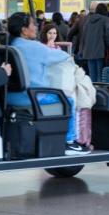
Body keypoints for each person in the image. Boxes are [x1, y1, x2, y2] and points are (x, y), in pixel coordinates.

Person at [7, 12, 85, 155]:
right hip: (33, 98)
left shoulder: (9, 45)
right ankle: (69, 142)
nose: (36, 27)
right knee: (69, 100)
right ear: (24, 30)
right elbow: (62, 56)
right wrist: (70, 56)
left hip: (11, 97)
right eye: (32, 25)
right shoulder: (34, 47)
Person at [76, 3, 109, 82]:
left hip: (88, 51)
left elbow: (83, 36)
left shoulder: (88, 20)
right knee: (101, 76)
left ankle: (93, 92)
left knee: (92, 76)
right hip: (101, 51)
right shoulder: (106, 20)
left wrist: (82, 50)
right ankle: (100, 93)